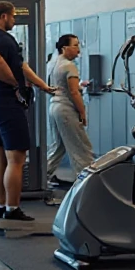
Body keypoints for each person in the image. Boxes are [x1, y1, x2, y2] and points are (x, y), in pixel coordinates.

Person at [0, 1, 55, 229]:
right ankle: (13, 210)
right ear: (4, 16)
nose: (15, 21)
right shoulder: (3, 38)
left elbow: (21, 66)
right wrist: (15, 84)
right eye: (14, 17)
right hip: (5, 101)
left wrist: (43, 86)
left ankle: (1, 205)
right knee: (16, 159)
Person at [46, 34, 95, 185]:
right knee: (81, 146)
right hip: (66, 109)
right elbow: (74, 92)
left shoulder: (52, 63)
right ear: (64, 48)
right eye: (75, 45)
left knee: (58, 146)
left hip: (54, 106)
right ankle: (87, 181)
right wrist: (82, 112)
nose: (78, 49)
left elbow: (58, 86)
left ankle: (43, 175)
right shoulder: (69, 65)